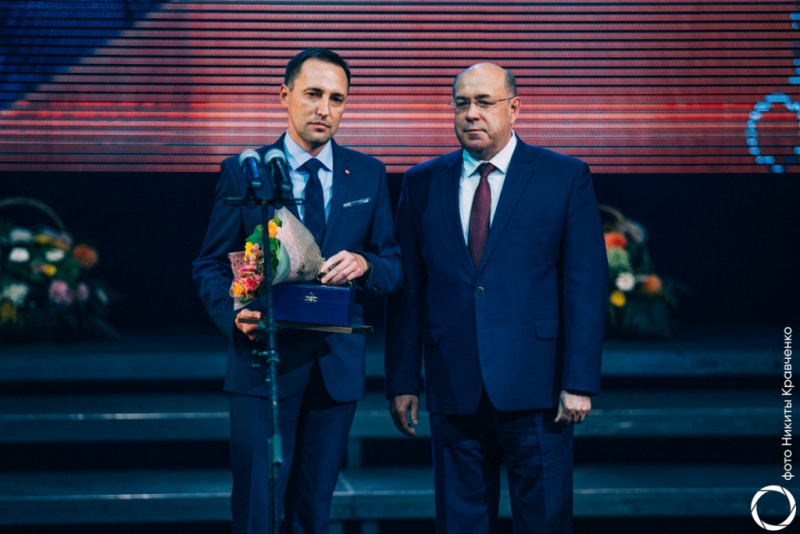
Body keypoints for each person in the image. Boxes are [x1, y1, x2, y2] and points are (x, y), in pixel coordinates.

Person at [385, 63, 607, 533]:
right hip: (453, 384)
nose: (472, 113)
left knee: (544, 521)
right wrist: (403, 380)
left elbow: (585, 285)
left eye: (484, 102)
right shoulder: (421, 182)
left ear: (514, 108)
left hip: (538, 388)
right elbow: (409, 291)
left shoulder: (564, 176)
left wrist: (580, 380)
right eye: (462, 103)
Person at [193, 48, 402, 534]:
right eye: (313, 94)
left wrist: (366, 264)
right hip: (263, 362)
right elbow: (210, 264)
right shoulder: (246, 171)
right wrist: (233, 315)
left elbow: (393, 265)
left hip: (334, 367)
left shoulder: (368, 173)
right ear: (284, 95)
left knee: (313, 514)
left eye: (336, 99)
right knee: (257, 512)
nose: (324, 109)